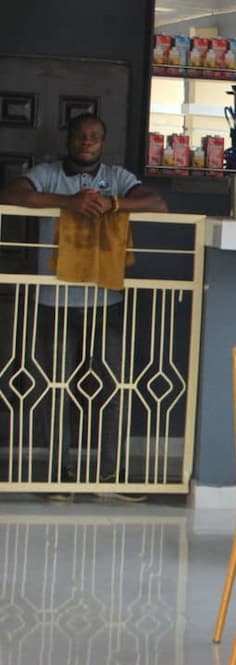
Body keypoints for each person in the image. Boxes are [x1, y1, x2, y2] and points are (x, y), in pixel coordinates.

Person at [0, 113, 167, 493]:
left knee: (114, 387)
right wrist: (69, 203)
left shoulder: (116, 177)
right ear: (69, 139)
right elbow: (10, 195)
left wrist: (113, 204)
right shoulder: (47, 174)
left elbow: (157, 203)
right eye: (80, 135)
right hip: (54, 298)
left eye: (94, 136)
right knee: (56, 388)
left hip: (105, 298)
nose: (87, 141)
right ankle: (60, 473)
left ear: (103, 143)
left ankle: (110, 473)